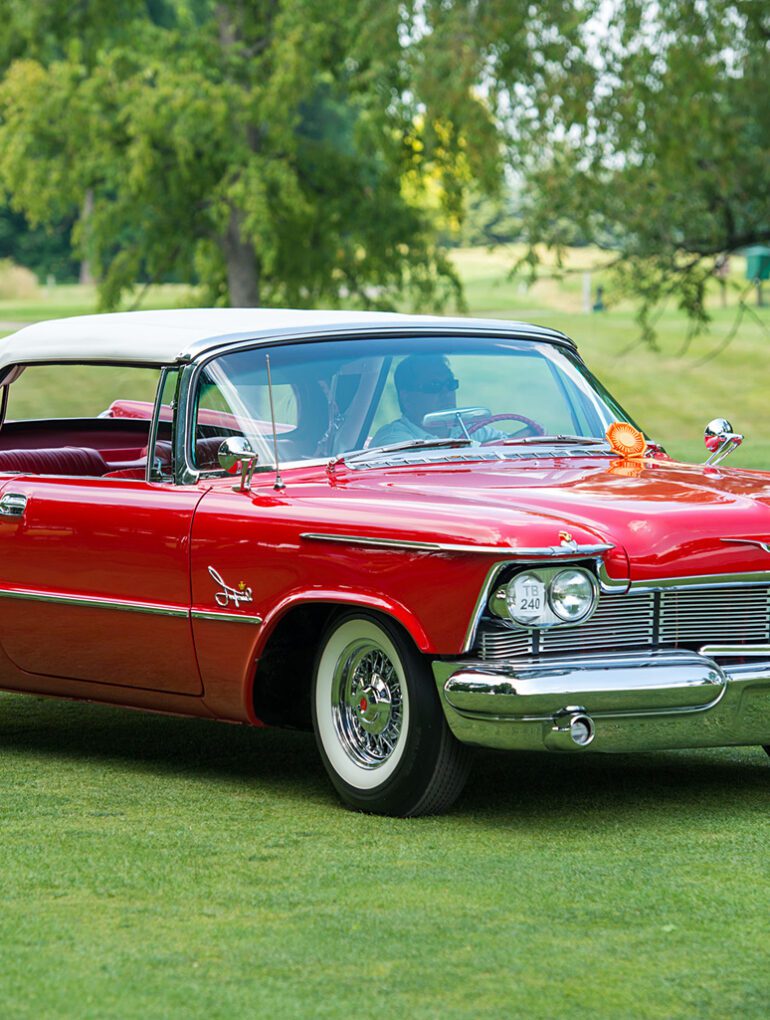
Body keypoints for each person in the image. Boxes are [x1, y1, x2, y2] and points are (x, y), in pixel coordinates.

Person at [371, 354, 503, 447]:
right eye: (434, 386)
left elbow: (512, 441)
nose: (446, 393)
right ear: (407, 398)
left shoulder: (467, 429)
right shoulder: (393, 439)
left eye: (451, 384)